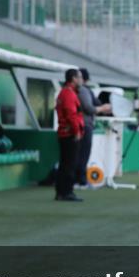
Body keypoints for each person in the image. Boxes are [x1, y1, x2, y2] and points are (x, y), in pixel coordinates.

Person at [75, 68, 112, 188]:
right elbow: (89, 108)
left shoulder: (84, 90)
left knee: (81, 153)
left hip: (83, 125)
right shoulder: (83, 91)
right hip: (84, 125)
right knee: (83, 153)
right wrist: (103, 108)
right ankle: (81, 180)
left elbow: (95, 104)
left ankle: (80, 179)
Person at [54, 68, 84, 202]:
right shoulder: (68, 94)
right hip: (69, 134)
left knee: (65, 163)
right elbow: (71, 115)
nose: (81, 80)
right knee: (70, 164)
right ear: (73, 79)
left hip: (65, 133)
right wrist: (77, 132)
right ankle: (66, 192)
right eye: (80, 77)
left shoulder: (65, 93)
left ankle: (61, 192)